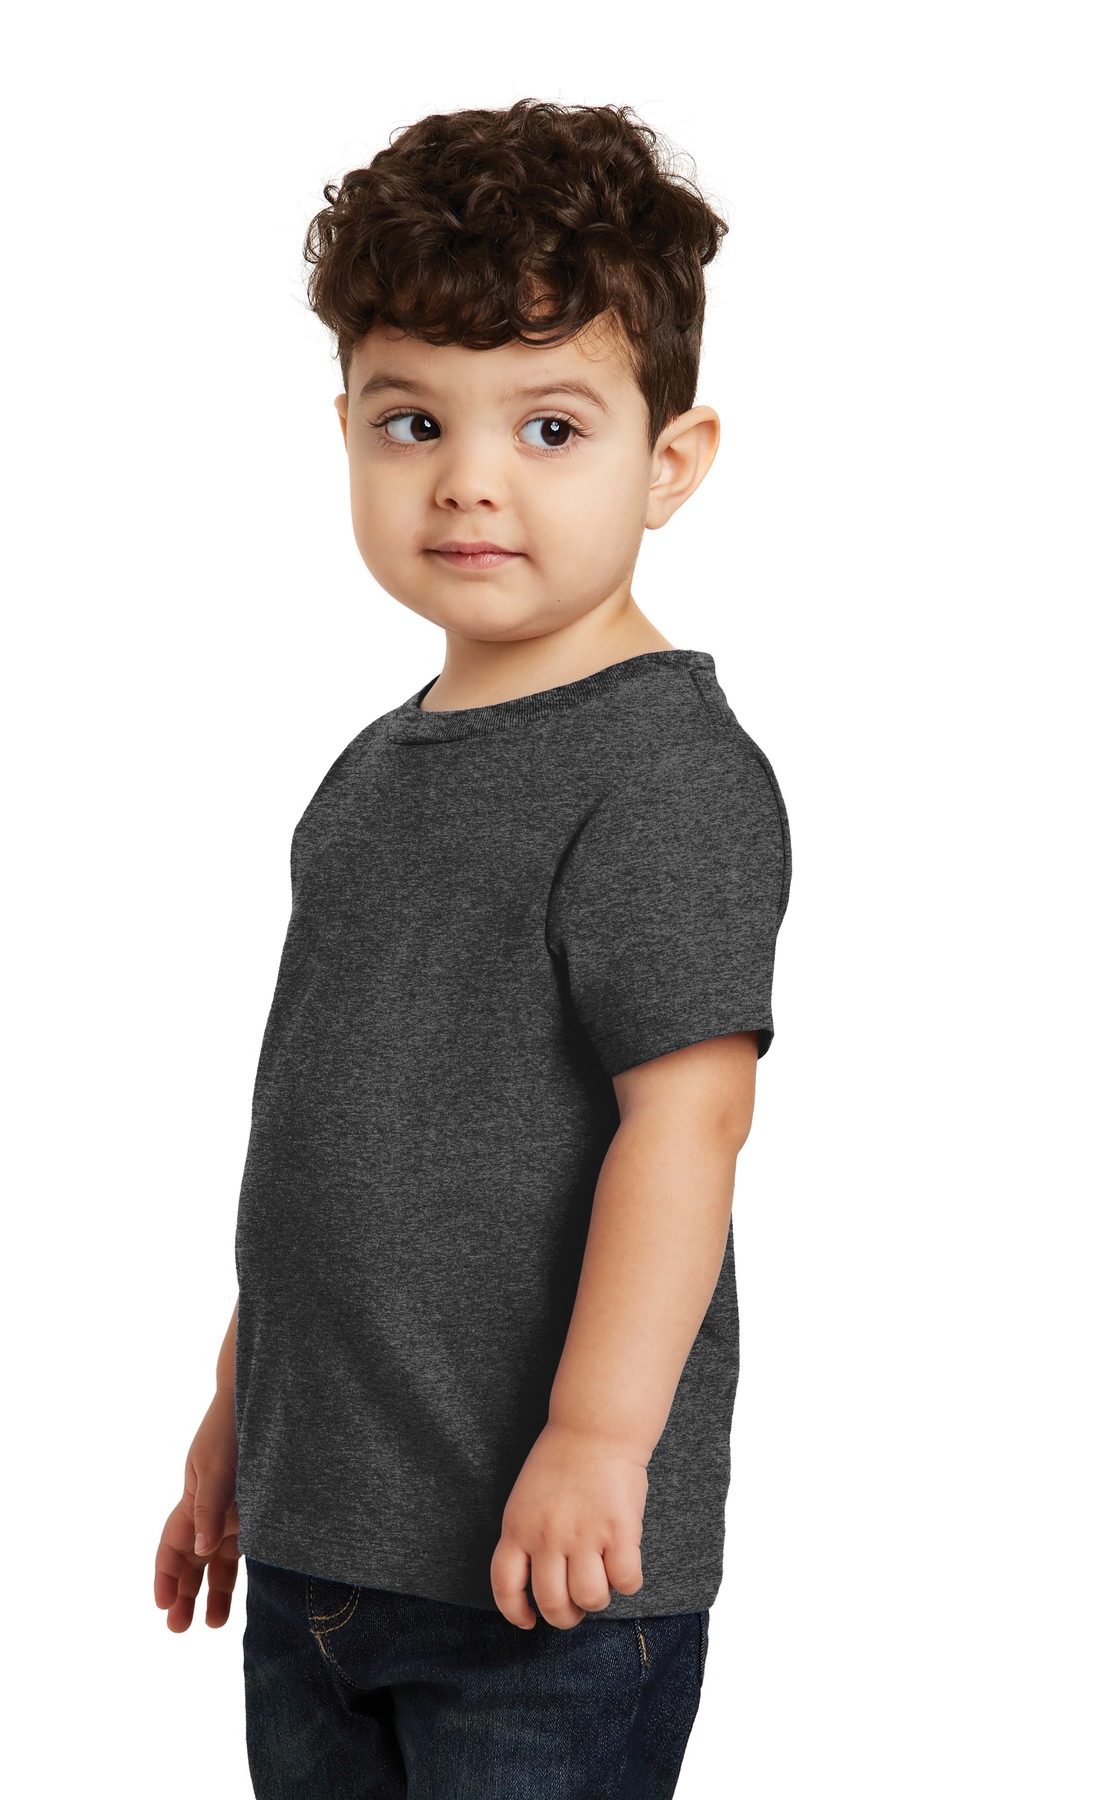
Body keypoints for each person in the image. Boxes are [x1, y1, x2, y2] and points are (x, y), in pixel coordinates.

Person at [154, 96, 793, 1799]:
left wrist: (598, 1437)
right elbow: (324, 1138)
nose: (469, 479)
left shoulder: (662, 772)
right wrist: (241, 1417)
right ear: (347, 432)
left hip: (543, 1585)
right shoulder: (370, 775)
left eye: (551, 427)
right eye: (412, 420)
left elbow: (690, 1121)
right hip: (321, 1551)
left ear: (672, 462)